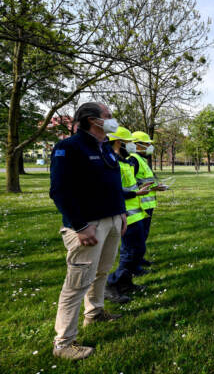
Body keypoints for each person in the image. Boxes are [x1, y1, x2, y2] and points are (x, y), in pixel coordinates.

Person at [49, 102, 127, 360]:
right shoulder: (68, 147)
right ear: (94, 120)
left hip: (112, 220)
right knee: (77, 283)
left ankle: (94, 313)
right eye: (109, 116)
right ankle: (63, 344)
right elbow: (59, 191)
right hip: (88, 225)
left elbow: (112, 184)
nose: (113, 120)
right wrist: (80, 225)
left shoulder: (106, 147)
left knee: (101, 272)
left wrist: (121, 213)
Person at [105, 127, 152, 298]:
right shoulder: (112, 161)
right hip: (126, 214)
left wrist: (140, 188)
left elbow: (129, 185)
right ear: (119, 142)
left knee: (137, 249)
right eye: (129, 143)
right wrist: (135, 193)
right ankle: (113, 283)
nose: (132, 146)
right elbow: (113, 190)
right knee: (130, 251)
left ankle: (125, 283)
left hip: (136, 213)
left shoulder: (123, 161)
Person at [130, 131, 166, 269]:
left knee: (143, 235)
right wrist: (147, 188)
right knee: (136, 238)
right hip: (138, 205)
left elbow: (145, 181)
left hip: (147, 204)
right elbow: (129, 184)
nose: (150, 147)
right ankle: (133, 266)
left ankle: (139, 259)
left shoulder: (142, 160)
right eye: (147, 144)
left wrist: (156, 187)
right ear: (137, 145)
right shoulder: (133, 160)